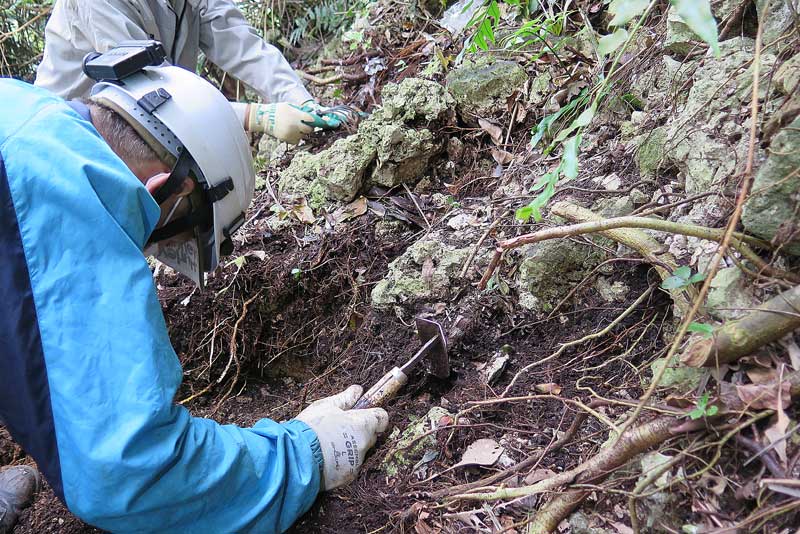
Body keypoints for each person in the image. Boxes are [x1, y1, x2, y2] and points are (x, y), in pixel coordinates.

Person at [0, 45, 388, 533]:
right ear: (170, 186)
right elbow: (130, 470)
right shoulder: (66, 198)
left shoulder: (24, 112)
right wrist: (300, 455)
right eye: (174, 232)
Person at [34, 0, 345, 144]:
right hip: (65, 142)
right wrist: (258, 117)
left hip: (133, 134)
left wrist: (297, 99)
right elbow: (148, 93)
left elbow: (240, 42)